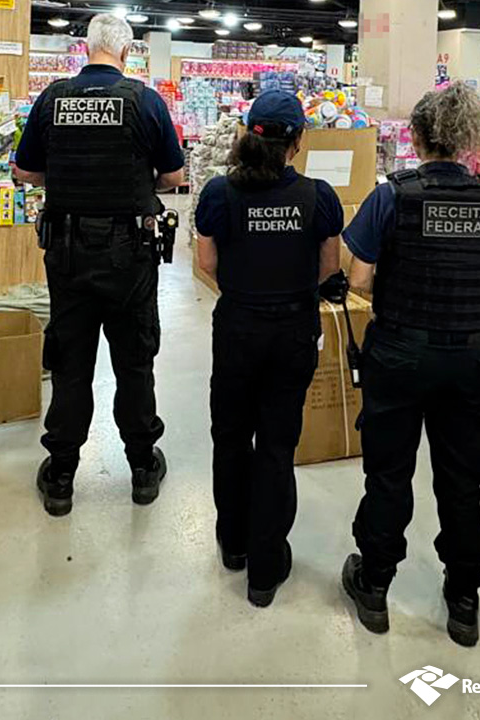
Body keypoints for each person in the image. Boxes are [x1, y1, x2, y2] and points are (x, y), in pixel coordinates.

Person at [341, 81, 480, 647]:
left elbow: (358, 279)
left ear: (417, 136)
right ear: (469, 138)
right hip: (471, 358)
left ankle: (375, 584)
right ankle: (464, 599)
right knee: (462, 480)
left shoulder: (392, 197)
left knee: (388, 473)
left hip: (399, 353)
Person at [14, 14, 184, 517]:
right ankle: (141, 468)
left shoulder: (52, 99)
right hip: (130, 254)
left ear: (85, 49)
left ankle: (62, 476)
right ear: (127, 52)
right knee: (134, 361)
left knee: (71, 364)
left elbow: (25, 170)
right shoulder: (145, 102)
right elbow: (174, 176)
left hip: (67, 254)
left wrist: (65, 179)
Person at [194, 91, 343, 608]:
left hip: (237, 326)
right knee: (277, 444)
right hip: (293, 331)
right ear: (297, 141)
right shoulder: (318, 196)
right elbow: (330, 266)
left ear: (247, 133)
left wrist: (244, 290)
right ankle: (265, 567)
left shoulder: (219, 192)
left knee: (230, 436)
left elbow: (206, 262)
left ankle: (233, 542)